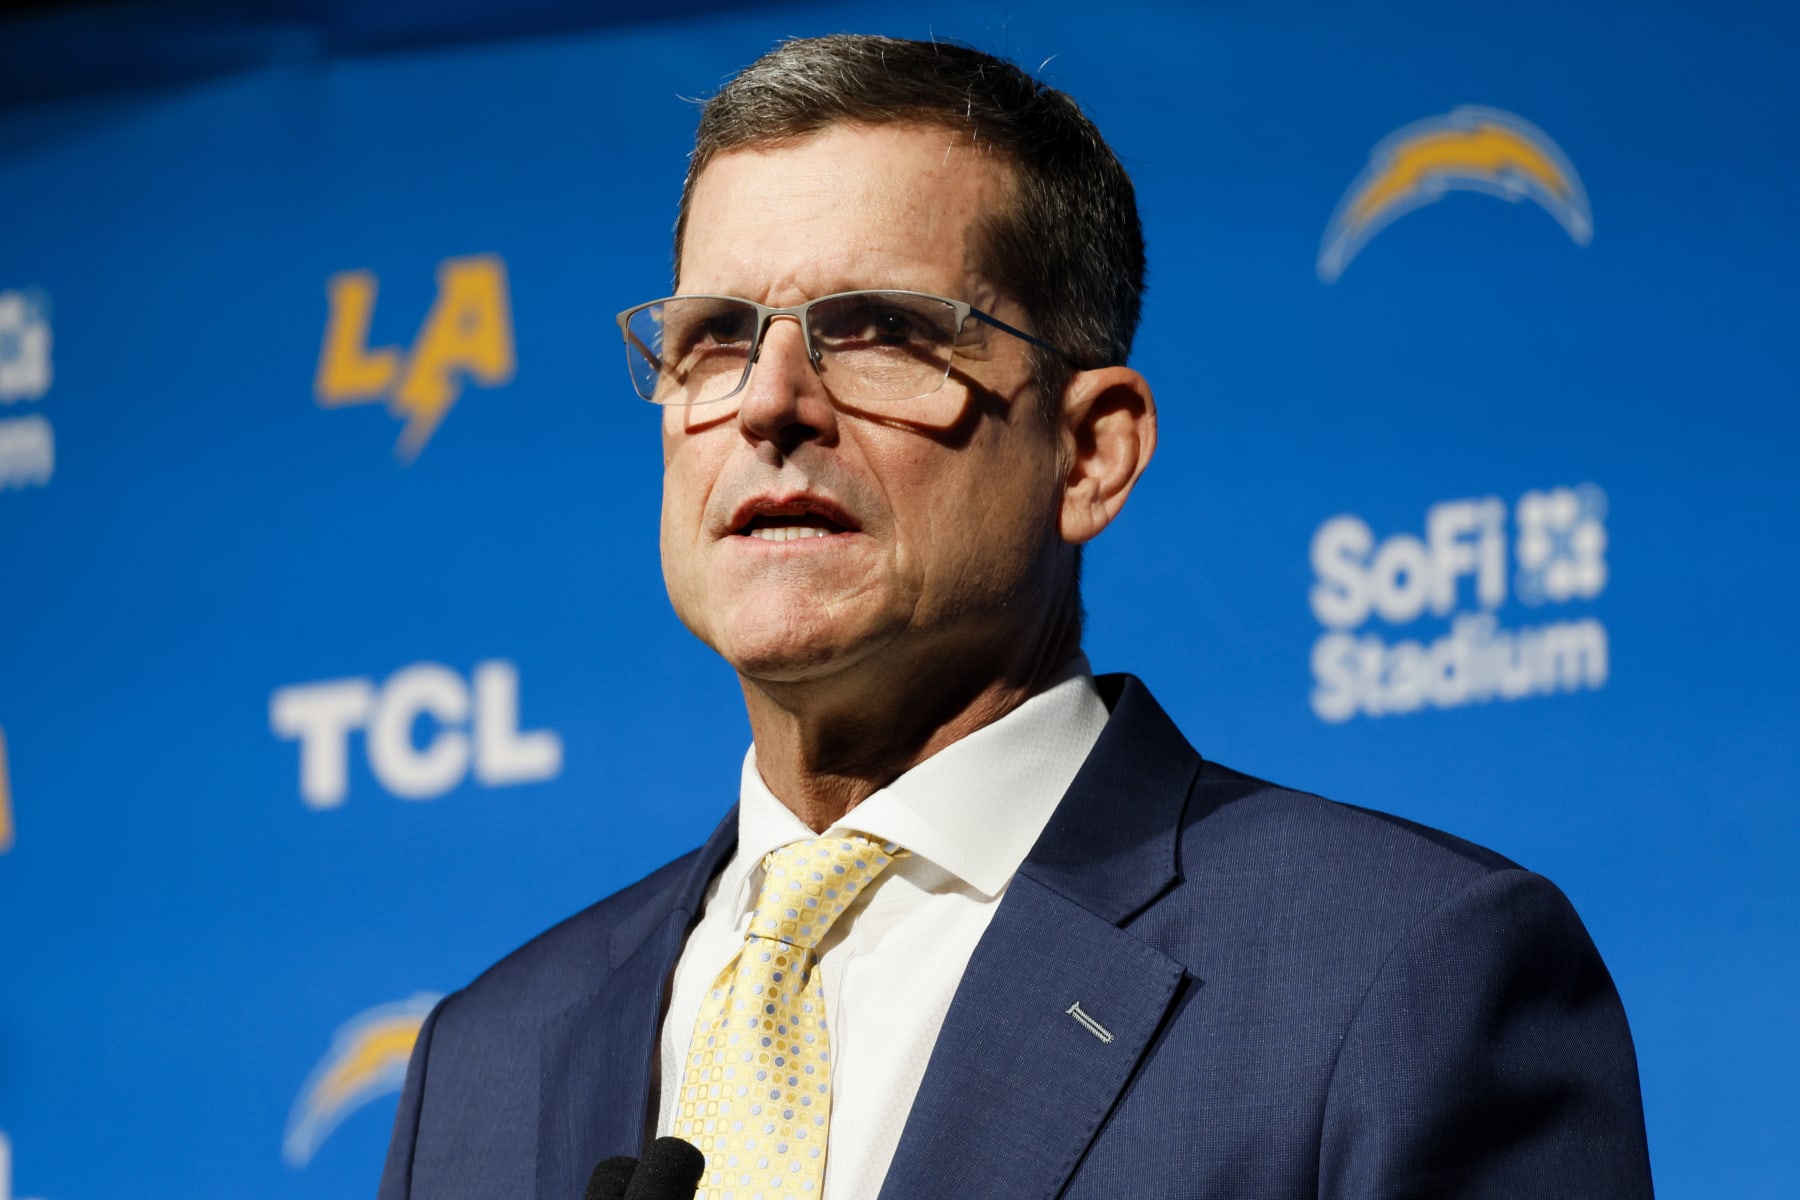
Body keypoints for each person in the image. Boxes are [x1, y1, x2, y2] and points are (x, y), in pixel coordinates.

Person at [379, 34, 1654, 1200]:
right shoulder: (487, 1064)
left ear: (1091, 453)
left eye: (872, 333)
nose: (770, 406)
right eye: (714, 340)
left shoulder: (1397, 975)